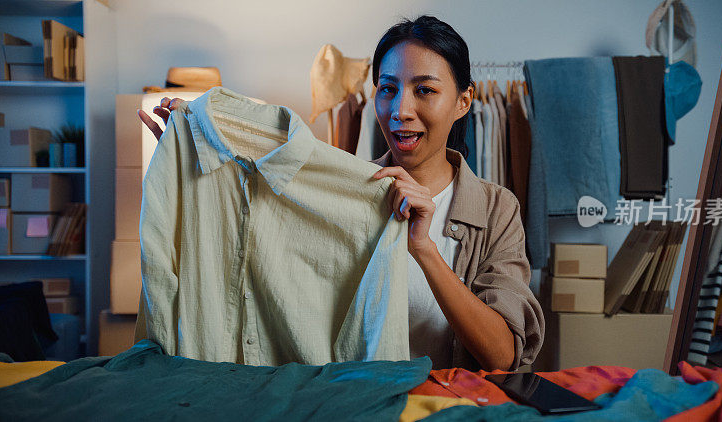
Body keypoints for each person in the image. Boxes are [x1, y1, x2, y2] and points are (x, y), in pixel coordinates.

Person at [138, 15, 543, 371]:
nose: (400, 110)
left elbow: (503, 356)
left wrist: (425, 250)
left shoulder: (495, 210)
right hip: (356, 405)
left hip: (444, 409)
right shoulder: (343, 197)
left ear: (463, 102)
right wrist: (191, 168)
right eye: (387, 89)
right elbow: (251, 255)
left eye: (424, 90)